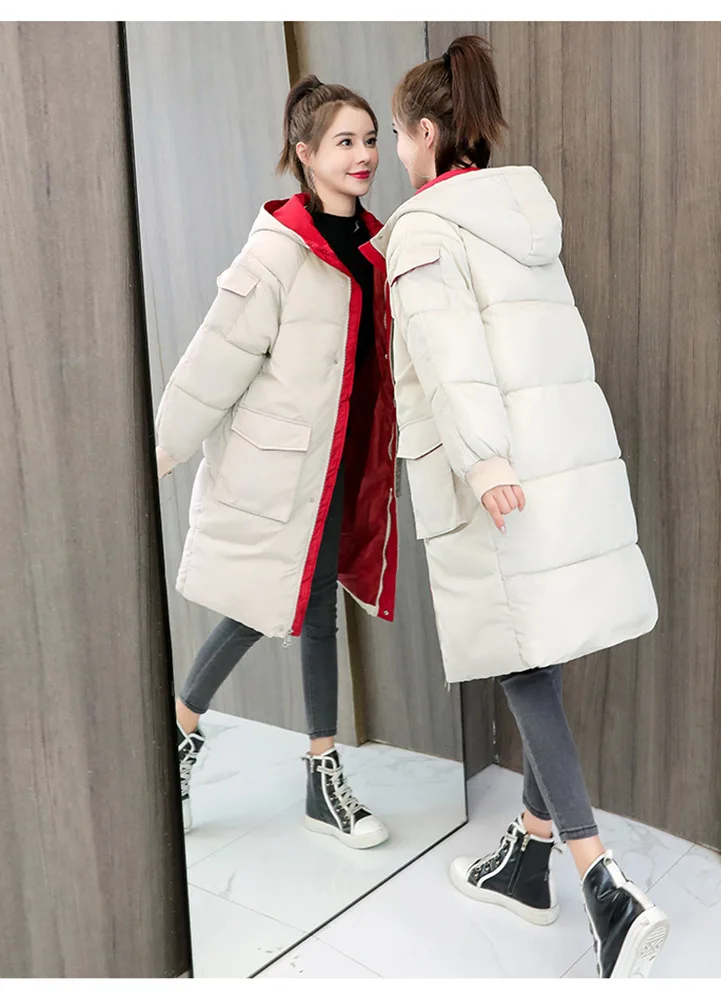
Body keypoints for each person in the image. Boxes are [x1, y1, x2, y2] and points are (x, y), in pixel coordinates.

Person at [362, 35, 669, 979]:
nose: (395, 155)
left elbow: (451, 355)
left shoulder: (424, 229)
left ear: (425, 133)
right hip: (557, 461)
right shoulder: (518, 215)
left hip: (493, 470)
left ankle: (603, 888)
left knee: (522, 664)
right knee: (540, 646)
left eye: (398, 136)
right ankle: (528, 862)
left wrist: (483, 459)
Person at [154, 75, 398, 849]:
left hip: (343, 467)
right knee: (268, 605)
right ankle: (184, 730)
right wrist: (160, 449)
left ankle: (315, 769)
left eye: (370, 139)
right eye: (345, 142)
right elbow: (216, 357)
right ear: (305, 153)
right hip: (283, 469)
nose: (364, 155)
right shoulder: (278, 252)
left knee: (313, 608)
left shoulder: (379, 245)